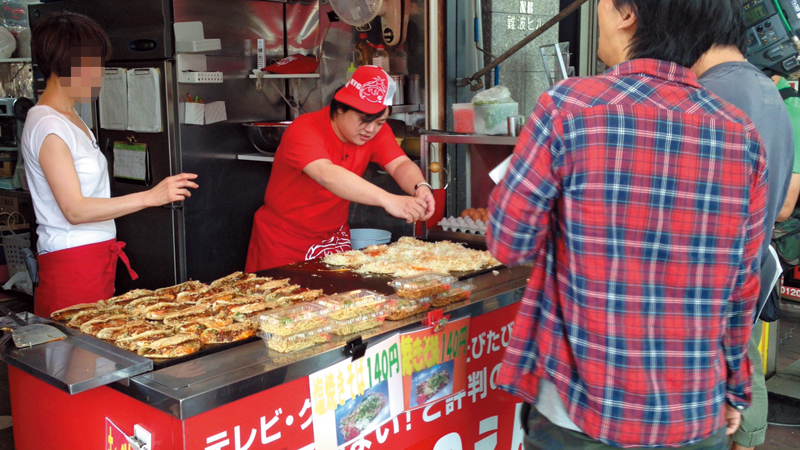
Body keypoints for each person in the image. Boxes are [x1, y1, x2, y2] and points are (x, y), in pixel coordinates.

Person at [486, 0, 767, 448]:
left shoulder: (567, 109)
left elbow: (508, 242)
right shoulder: (740, 135)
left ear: (627, 13)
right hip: (694, 414)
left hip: (579, 416)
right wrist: (736, 389)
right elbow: (741, 284)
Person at [22, 11, 198, 317]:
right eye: (93, 65)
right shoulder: (47, 126)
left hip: (94, 258)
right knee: (78, 360)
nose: (100, 74)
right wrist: (150, 197)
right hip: (72, 265)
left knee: (98, 356)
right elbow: (74, 210)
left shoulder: (72, 117)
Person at [690, 14, 796, 450]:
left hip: (710, 295)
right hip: (747, 272)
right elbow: (781, 204)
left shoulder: (716, 93)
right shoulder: (769, 92)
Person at [245, 65, 434, 272]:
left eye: (380, 122)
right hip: (285, 239)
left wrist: (420, 186)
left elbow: (399, 163)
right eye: (364, 119)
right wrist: (388, 199)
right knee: (278, 301)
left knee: (341, 302)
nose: (371, 129)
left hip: (334, 238)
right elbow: (327, 175)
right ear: (340, 108)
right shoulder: (305, 128)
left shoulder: (376, 131)